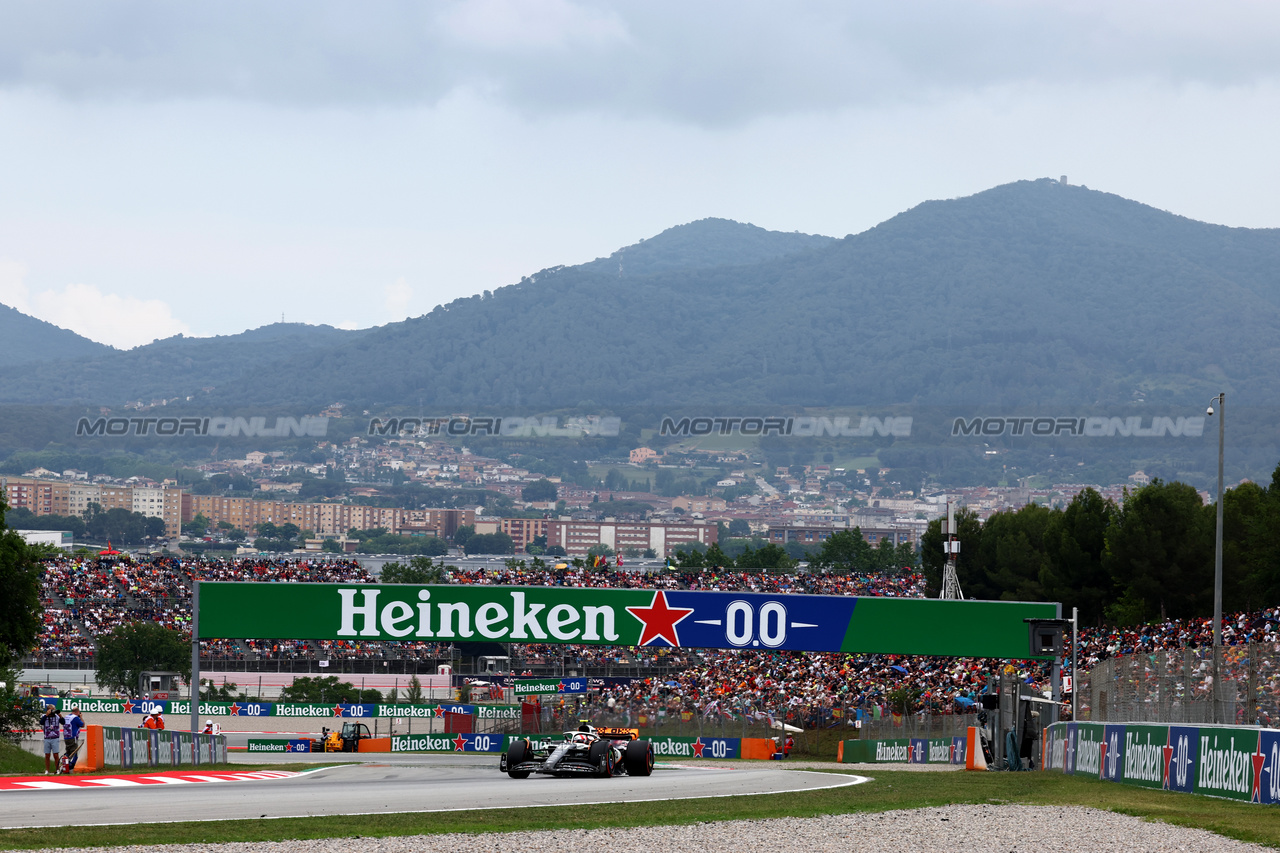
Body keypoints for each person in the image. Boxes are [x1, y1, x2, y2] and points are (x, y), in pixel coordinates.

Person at [41, 705, 62, 774]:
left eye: (53, 710)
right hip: (47, 737)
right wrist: (46, 715)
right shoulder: (44, 716)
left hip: (55, 737)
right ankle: (47, 770)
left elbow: (63, 722)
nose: (53, 712)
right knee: (47, 755)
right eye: (51, 710)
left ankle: (57, 769)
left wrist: (60, 716)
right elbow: (41, 722)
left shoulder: (57, 716)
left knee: (56, 755)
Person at [62, 707, 84, 772]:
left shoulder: (66, 716)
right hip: (73, 737)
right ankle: (71, 766)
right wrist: (81, 717)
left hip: (66, 737)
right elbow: (82, 725)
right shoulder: (75, 718)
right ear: (78, 712)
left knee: (68, 752)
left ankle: (64, 765)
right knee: (74, 752)